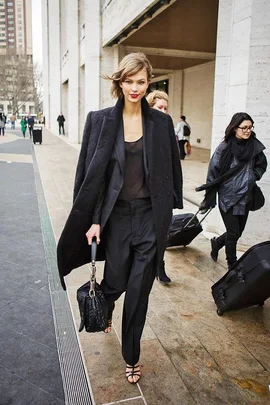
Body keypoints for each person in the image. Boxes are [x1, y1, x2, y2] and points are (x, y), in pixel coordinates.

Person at [57, 53, 183, 384]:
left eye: (141, 82)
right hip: (114, 218)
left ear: (148, 82)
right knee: (116, 280)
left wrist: (169, 206)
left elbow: (172, 166)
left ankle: (131, 354)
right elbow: (89, 175)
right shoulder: (99, 121)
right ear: (119, 82)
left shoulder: (160, 123)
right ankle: (101, 301)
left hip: (148, 218)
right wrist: (94, 219)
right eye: (129, 81)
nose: (135, 88)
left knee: (140, 290)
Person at [197, 112, 267, 271]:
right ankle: (232, 265)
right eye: (244, 128)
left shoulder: (254, 145)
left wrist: (253, 175)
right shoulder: (224, 148)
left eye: (250, 127)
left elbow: (262, 165)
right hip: (227, 198)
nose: (248, 131)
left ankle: (217, 243)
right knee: (234, 233)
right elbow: (212, 174)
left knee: (237, 232)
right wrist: (209, 198)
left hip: (246, 196)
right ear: (234, 128)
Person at [146, 90, 172, 284]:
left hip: (163, 190)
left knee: (162, 231)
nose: (163, 111)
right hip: (145, 192)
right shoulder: (143, 127)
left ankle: (159, 264)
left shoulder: (167, 126)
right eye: (159, 107)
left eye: (165, 108)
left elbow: (173, 163)